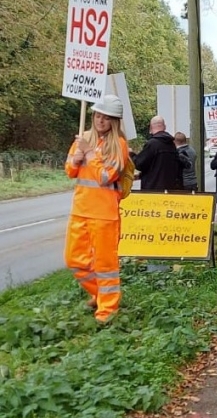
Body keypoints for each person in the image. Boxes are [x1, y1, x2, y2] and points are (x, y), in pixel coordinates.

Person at [64, 94, 130, 324]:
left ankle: (107, 312)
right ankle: (100, 294)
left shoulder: (119, 145)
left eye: (106, 117)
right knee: (74, 260)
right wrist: (76, 158)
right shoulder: (83, 138)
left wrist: (90, 155)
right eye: (98, 115)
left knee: (105, 266)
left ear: (114, 121)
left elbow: (105, 177)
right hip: (80, 209)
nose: (100, 120)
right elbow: (70, 171)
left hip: (105, 215)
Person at [134, 116, 186, 191]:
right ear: (164, 127)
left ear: (151, 128)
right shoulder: (171, 144)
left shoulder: (152, 144)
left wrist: (131, 154)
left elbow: (139, 164)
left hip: (152, 189)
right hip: (169, 188)